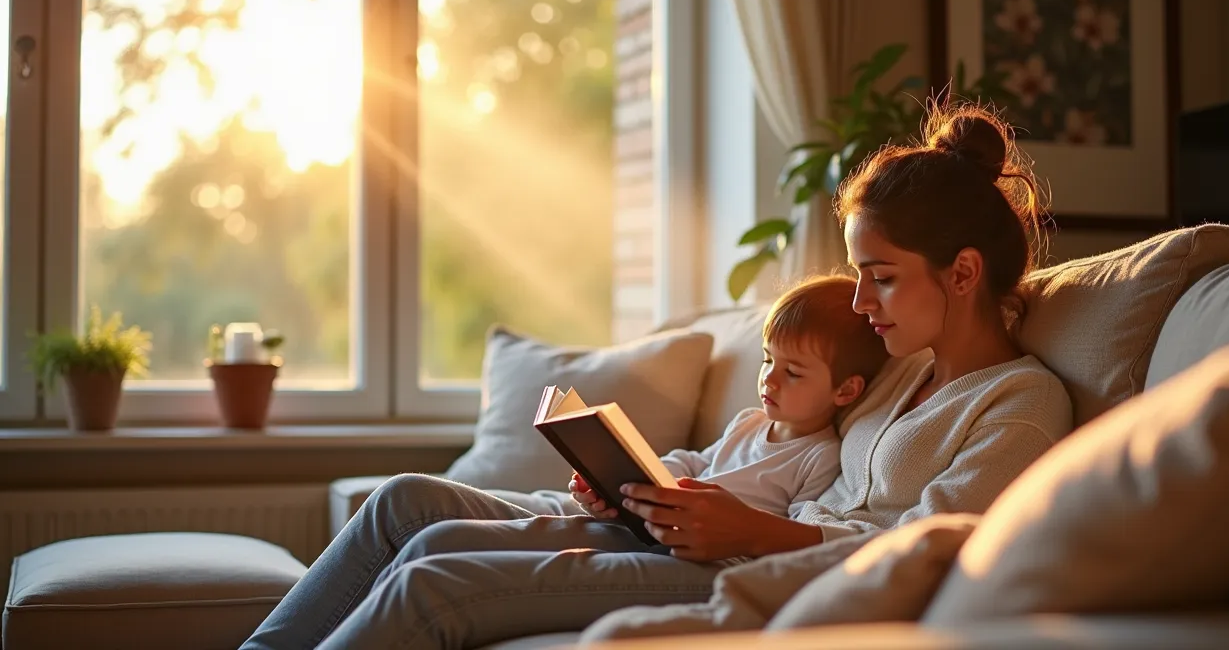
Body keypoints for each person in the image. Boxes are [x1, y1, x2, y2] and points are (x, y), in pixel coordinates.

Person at [241, 103, 1074, 650]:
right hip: (730, 535)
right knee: (418, 520)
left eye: (881, 276)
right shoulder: (893, 370)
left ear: (963, 275)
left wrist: (754, 534)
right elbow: (766, 450)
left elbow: (937, 550)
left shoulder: (1022, 405)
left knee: (434, 582)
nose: (860, 302)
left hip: (765, 569)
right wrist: (647, 486)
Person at [575, 274, 888, 527]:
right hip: (663, 524)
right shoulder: (748, 422)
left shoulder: (820, 456)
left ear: (845, 391)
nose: (769, 378)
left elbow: (792, 529)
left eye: (792, 372)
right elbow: (696, 462)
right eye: (768, 360)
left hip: (710, 551)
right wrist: (637, 475)